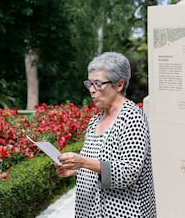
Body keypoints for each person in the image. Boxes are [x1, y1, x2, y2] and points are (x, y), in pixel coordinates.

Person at [55, 52, 156, 217]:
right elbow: (98, 166)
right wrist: (75, 170)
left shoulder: (132, 118)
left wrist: (83, 162)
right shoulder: (95, 121)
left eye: (98, 84)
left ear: (119, 85)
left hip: (123, 212)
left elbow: (127, 172)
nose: (92, 91)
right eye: (89, 84)